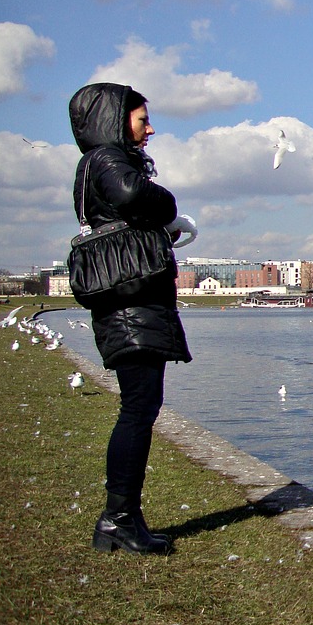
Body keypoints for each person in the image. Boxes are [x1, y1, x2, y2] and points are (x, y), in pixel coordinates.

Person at [70, 83, 192, 555]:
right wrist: (168, 206)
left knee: (139, 406)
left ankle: (122, 517)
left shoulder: (95, 163)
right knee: (139, 408)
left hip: (126, 302)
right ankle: (118, 518)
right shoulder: (107, 159)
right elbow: (131, 194)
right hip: (132, 305)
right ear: (115, 120)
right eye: (143, 119)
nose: (151, 128)